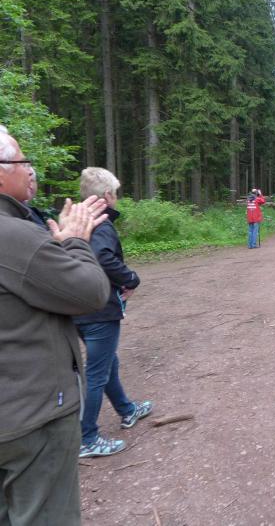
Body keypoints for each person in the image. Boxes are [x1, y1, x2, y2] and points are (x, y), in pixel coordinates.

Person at [0, 126, 110, 525]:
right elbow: (90, 292)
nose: (31, 170)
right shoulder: (13, 235)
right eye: (22, 161)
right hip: (30, 418)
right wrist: (75, 241)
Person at [73, 167, 152, 458]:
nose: (116, 197)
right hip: (98, 309)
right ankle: (87, 437)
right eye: (115, 193)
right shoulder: (101, 223)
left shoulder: (76, 221)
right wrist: (130, 279)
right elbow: (103, 257)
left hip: (77, 307)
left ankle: (126, 409)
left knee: (107, 362)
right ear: (107, 195)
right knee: (97, 372)